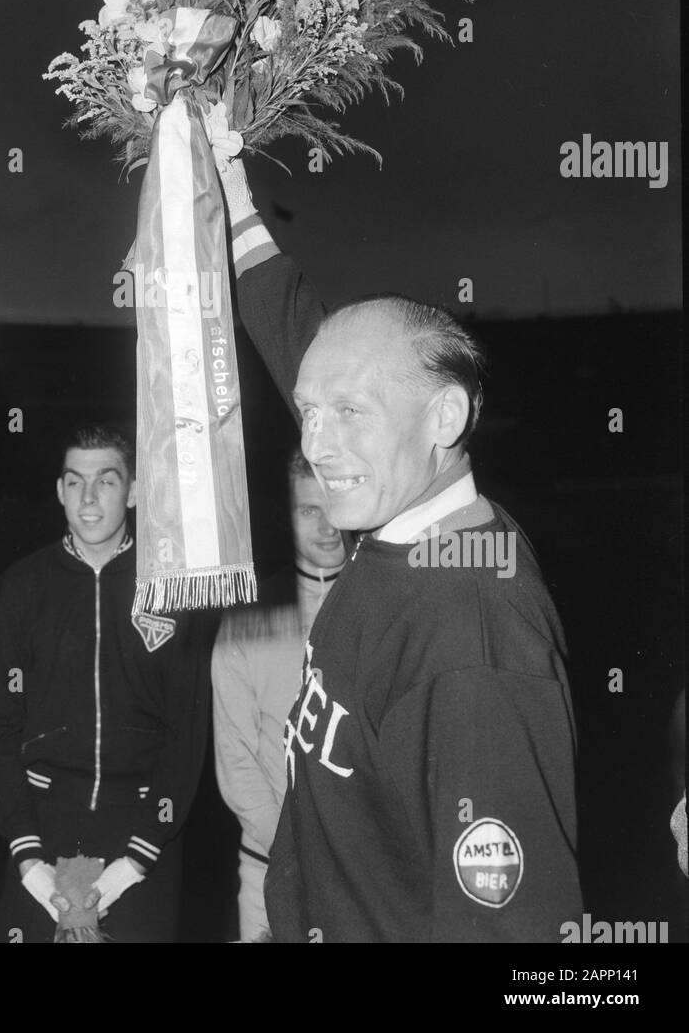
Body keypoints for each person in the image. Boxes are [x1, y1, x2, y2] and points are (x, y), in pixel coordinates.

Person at [219, 158, 582, 942]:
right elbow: (297, 336)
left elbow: (515, 938)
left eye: (346, 411)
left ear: (444, 418)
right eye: (308, 412)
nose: (316, 445)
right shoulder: (403, 507)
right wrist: (223, 176)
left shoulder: (473, 637)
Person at [0, 425, 210, 943]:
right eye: (75, 482)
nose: (88, 498)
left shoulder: (172, 586)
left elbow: (188, 732)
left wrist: (137, 859)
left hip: (142, 826)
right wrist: (30, 858)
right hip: (49, 824)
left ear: (133, 491)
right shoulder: (20, 589)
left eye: (105, 481)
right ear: (59, 490)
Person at [212, 448, 347, 941]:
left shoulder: (381, 606)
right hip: (269, 868)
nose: (328, 525)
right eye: (309, 510)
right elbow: (235, 756)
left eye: (333, 502)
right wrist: (292, 850)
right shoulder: (249, 617)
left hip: (364, 875)